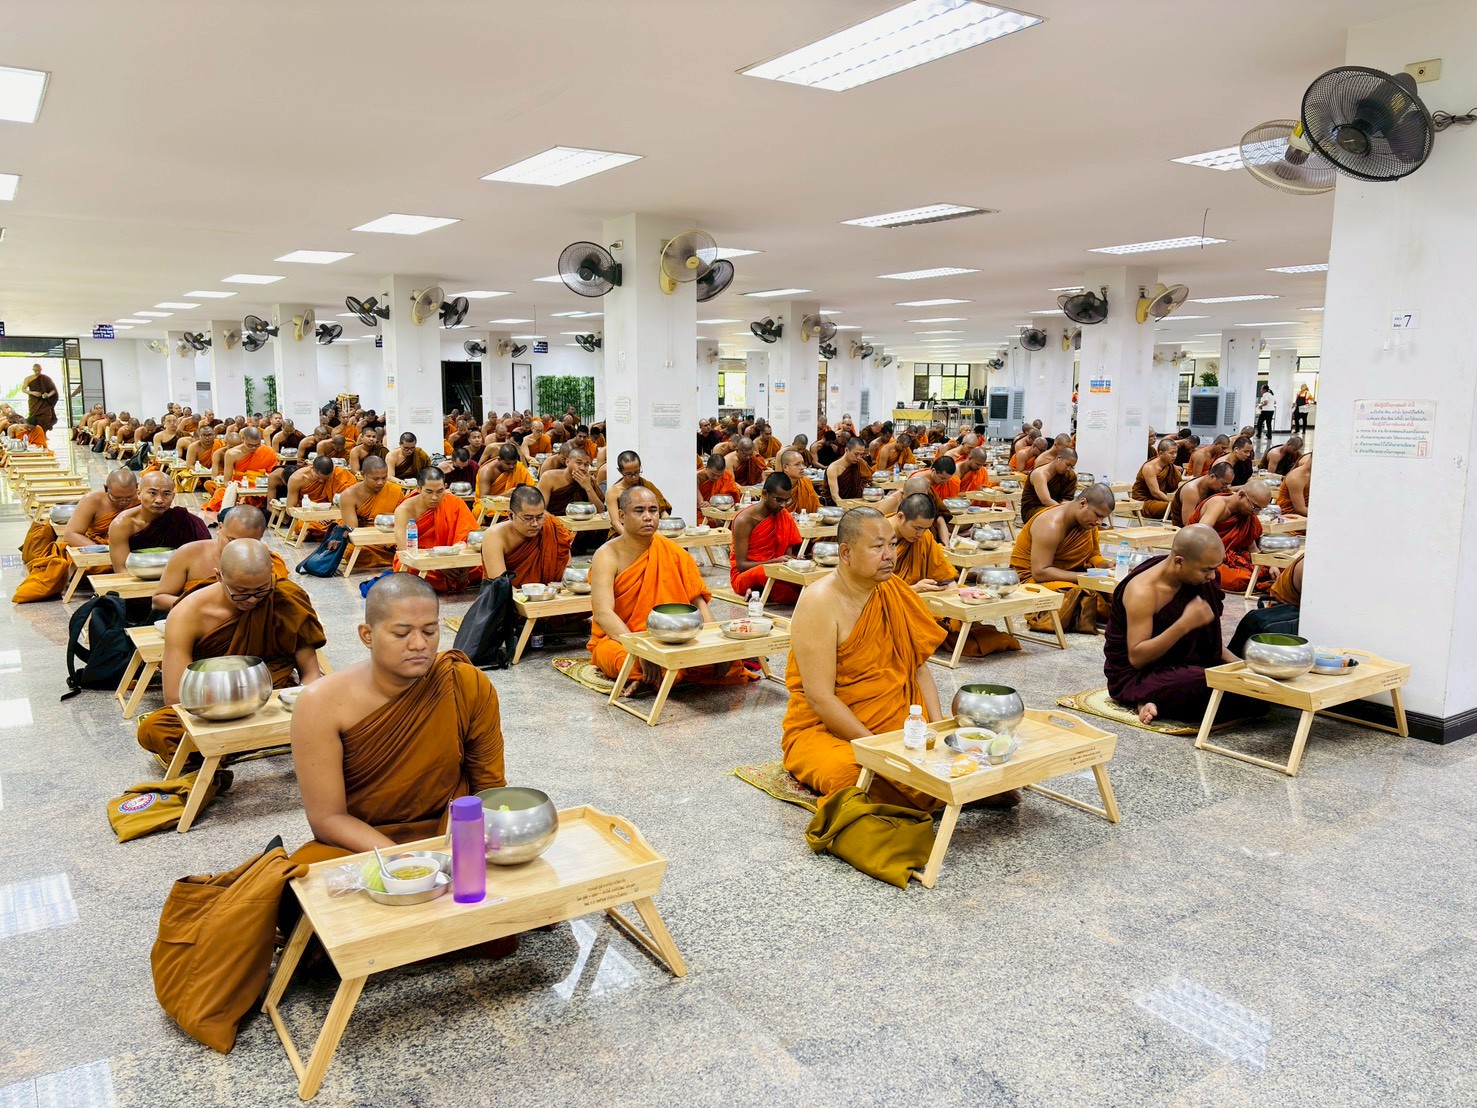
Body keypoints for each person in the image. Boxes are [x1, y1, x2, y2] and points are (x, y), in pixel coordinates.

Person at [783, 508, 1013, 811]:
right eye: (877, 546)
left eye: (892, 544)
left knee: (961, 752)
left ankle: (942, 790)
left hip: (901, 721)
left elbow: (918, 668)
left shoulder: (893, 589)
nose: (889, 555)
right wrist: (878, 750)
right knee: (851, 776)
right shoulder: (819, 601)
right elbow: (820, 698)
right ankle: (946, 794)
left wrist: (937, 728)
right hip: (830, 729)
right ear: (846, 552)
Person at [289, 573, 506, 861]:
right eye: (402, 634)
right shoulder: (319, 703)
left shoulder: (464, 683)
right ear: (367, 635)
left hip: (451, 833)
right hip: (361, 842)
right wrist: (404, 861)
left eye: (430, 631)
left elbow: (489, 789)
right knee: (301, 875)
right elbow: (328, 819)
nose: (419, 644)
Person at [137, 539, 326, 763]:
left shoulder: (286, 597)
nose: (252, 600)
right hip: (212, 705)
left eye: (261, 590)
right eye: (241, 592)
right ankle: (263, 739)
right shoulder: (187, 613)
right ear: (219, 576)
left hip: (271, 699)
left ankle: (231, 747)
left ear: (271, 574)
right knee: (154, 728)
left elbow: (311, 673)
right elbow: (175, 697)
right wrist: (223, 710)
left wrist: (301, 702)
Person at [588, 485, 754, 696]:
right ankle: (656, 674)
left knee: (725, 660)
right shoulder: (607, 555)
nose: (648, 517)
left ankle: (651, 679)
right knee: (620, 659)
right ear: (621, 516)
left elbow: (698, 603)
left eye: (653, 510)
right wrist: (640, 650)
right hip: (623, 638)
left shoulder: (673, 552)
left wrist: (716, 647)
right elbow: (604, 613)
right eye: (639, 511)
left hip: (674, 638)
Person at [1103, 524, 1259, 725]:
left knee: (1253, 689)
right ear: (1179, 561)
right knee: (1205, 683)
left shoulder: (1200, 580)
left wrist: (1240, 665)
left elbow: (1208, 643)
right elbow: (1137, 658)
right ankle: (1146, 696)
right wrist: (1183, 625)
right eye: (1207, 570)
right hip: (1138, 675)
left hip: (1188, 665)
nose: (1212, 576)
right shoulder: (1143, 590)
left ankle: (1156, 699)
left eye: (1215, 568)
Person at [891, 494, 1020, 657]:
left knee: (962, 594)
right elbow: (871, 591)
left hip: (919, 596)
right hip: (892, 602)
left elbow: (943, 574)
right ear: (900, 517)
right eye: (917, 528)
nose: (920, 534)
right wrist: (914, 589)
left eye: (925, 529)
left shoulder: (923, 537)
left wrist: (955, 599)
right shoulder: (877, 539)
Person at [13, 470, 140, 603]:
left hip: (128, 544)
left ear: (137, 488)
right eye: (116, 498)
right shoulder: (93, 500)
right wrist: (105, 550)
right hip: (98, 545)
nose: (123, 502)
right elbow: (71, 534)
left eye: (128, 498)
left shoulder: (142, 499)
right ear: (105, 488)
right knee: (88, 565)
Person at [1009, 485, 1115, 633]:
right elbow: (1040, 573)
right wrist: (1084, 577)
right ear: (1083, 503)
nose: (1099, 521)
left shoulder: (1087, 523)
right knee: (1080, 595)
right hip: (1032, 579)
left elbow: (1092, 555)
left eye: (1103, 517)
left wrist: (1105, 565)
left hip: (1071, 575)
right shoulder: (1050, 524)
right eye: (1098, 515)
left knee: (1119, 590)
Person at [152, 506, 286, 611]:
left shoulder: (266, 561)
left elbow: (280, 604)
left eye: (248, 542)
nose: (237, 548)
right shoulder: (189, 553)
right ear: (220, 528)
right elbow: (159, 600)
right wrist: (203, 608)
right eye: (232, 540)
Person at [394, 467, 480, 592]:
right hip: (423, 560)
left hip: (454, 559)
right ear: (418, 489)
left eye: (440, 491)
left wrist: (463, 565)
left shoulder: (454, 502)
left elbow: (469, 538)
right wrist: (439, 564)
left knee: (482, 562)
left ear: (445, 487)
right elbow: (405, 552)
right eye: (429, 492)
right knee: (409, 569)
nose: (435, 497)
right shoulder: (404, 510)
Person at [108, 470, 210, 572]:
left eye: (166, 494)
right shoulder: (122, 524)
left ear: (173, 496)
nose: (159, 500)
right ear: (138, 494)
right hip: (136, 577)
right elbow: (122, 569)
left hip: (179, 577)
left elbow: (204, 558)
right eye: (152, 493)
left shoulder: (184, 520)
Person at [730, 473, 803, 604]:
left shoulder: (784, 516)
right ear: (764, 494)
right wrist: (774, 562)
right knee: (765, 573)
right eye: (779, 500)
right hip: (746, 575)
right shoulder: (744, 520)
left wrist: (793, 562)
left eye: (787, 500)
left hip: (776, 570)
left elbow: (787, 557)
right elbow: (741, 566)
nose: (783, 505)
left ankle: (762, 590)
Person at [1188, 480, 1273, 592]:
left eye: (1260, 510)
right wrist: (1220, 555)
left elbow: (1252, 548)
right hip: (1206, 557)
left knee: (1278, 569)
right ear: (1241, 495)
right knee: (1242, 579)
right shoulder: (1218, 505)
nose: (1256, 513)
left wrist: (1270, 564)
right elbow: (1199, 537)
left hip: (1232, 556)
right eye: (1255, 507)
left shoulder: (1247, 515)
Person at [481, 485, 574, 586]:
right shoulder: (495, 536)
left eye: (540, 517)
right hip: (510, 595)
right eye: (528, 518)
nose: (535, 524)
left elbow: (568, 577)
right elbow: (500, 586)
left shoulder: (552, 527)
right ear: (511, 515)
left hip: (551, 593)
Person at [200, 427, 279, 512]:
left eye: (257, 445)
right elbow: (227, 481)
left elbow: (273, 475)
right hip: (239, 485)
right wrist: (235, 491)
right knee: (220, 493)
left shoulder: (268, 452)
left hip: (260, 487)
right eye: (250, 445)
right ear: (243, 439)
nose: (253, 448)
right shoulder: (231, 454)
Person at [606, 451, 671, 537]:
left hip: (649, 531)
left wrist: (667, 530)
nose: (634, 477)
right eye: (629, 474)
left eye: (637, 472)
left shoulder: (647, 486)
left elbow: (663, 512)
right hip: (624, 535)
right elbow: (615, 522)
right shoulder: (613, 492)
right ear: (620, 471)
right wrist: (632, 539)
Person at [1021, 448, 1078, 525]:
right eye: (1067, 464)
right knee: (1056, 518)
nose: (1068, 469)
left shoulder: (1070, 476)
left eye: (1072, 466)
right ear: (1059, 459)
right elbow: (1046, 501)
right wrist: (1064, 512)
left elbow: (1067, 499)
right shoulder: (1040, 474)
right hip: (1034, 509)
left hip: (1057, 507)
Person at [1170, 461, 1233, 528]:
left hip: (1207, 526)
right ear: (1212, 477)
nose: (1225, 488)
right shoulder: (1191, 490)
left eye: (1227, 485)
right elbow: (1187, 523)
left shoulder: (1216, 488)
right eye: (1224, 484)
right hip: (1185, 530)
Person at [1132, 438, 1182, 519]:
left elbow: (1177, 486)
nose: (1174, 456)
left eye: (1176, 452)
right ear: (1160, 453)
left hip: (1161, 500)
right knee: (1175, 508)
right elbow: (1155, 493)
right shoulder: (1150, 468)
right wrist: (1173, 501)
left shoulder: (1169, 466)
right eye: (1171, 453)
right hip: (1144, 503)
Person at [826, 437, 873, 503]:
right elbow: (835, 496)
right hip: (838, 505)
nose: (859, 458)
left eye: (861, 454)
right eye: (856, 454)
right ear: (846, 450)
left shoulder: (861, 463)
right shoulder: (833, 468)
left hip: (859, 502)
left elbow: (868, 482)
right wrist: (846, 506)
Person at [778, 448, 822, 515]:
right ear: (785, 467)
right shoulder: (777, 485)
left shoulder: (806, 482)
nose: (802, 467)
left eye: (803, 464)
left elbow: (816, 505)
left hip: (807, 520)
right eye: (797, 464)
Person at [23, 363, 59, 434]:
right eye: (35, 371)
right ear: (33, 370)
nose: (37, 372)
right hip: (34, 402)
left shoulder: (46, 378)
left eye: (39, 370)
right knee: (34, 418)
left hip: (45, 402)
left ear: (41, 370)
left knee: (46, 418)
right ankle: (35, 434)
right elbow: (23, 389)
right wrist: (32, 393)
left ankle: (44, 434)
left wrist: (48, 395)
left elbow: (53, 390)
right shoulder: (28, 378)